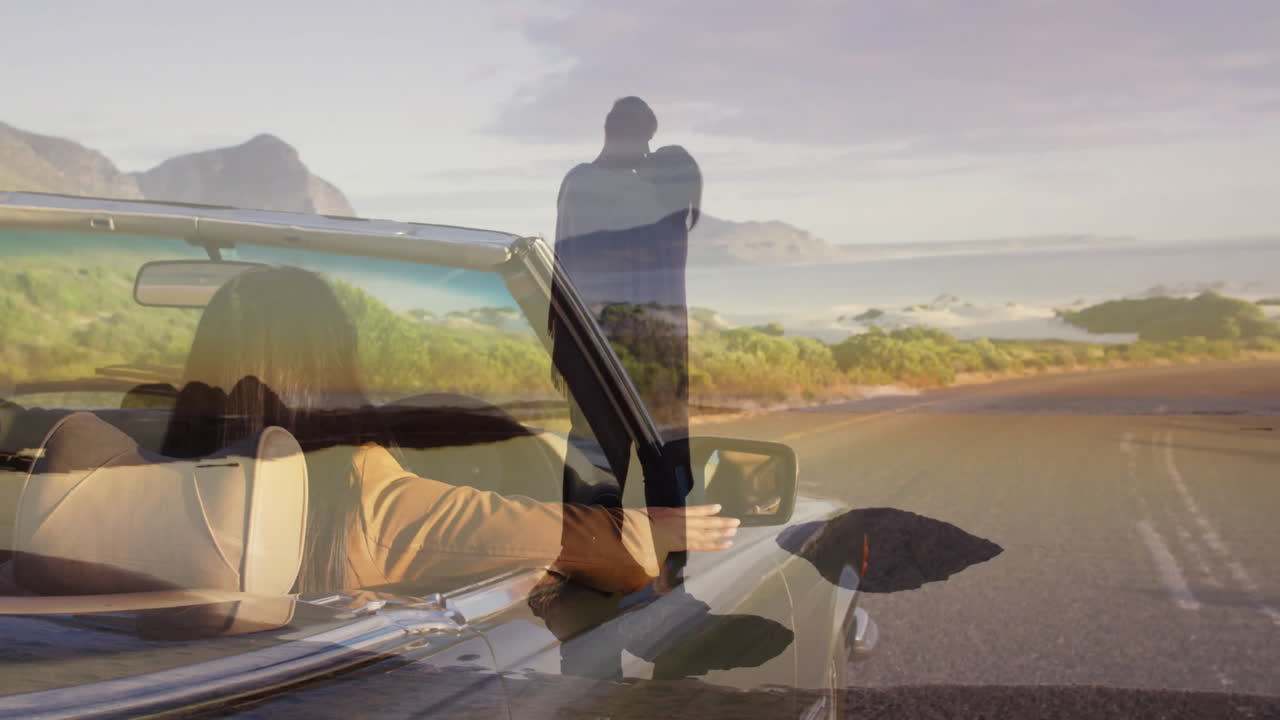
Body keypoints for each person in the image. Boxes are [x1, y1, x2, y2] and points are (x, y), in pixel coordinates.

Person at [160, 266, 737, 595]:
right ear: (332, 369)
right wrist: (656, 528)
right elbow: (595, 547)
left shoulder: (143, 478)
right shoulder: (362, 500)